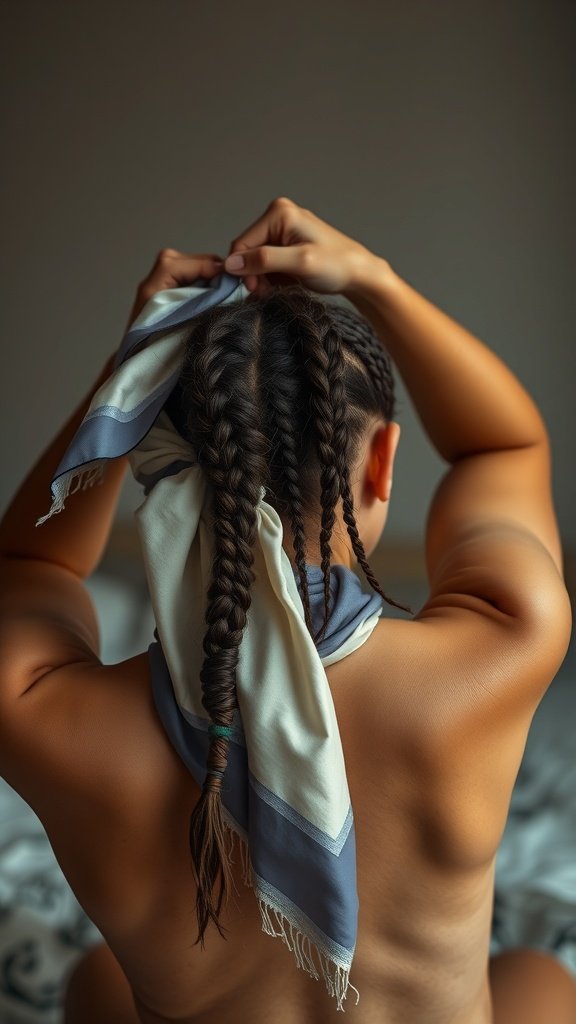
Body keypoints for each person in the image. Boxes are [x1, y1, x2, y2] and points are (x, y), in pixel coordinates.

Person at [0, 195, 574, 1024]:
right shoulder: (504, 640)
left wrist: (131, 363)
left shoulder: (39, 709)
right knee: (539, 977)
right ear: (380, 464)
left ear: (154, 470)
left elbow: (30, 559)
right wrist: (376, 283)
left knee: (97, 984)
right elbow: (502, 445)